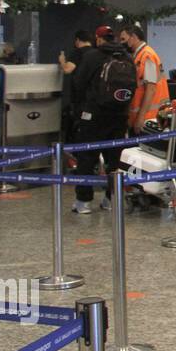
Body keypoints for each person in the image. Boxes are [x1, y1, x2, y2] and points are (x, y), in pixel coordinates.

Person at [69, 28, 129, 215]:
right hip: (119, 115)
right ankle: (111, 199)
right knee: (115, 159)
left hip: (94, 114)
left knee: (87, 157)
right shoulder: (126, 57)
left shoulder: (92, 57)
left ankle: (84, 201)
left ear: (98, 39)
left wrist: (79, 110)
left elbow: (78, 83)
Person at [118, 23, 168, 133]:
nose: (121, 43)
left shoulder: (147, 56)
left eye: (123, 39)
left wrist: (140, 117)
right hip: (143, 117)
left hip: (147, 120)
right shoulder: (139, 56)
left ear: (134, 37)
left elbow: (151, 89)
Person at [58, 29, 96, 141]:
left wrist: (62, 61)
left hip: (80, 99)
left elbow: (67, 69)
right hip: (94, 99)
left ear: (77, 40)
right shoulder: (96, 53)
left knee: (78, 129)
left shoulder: (78, 52)